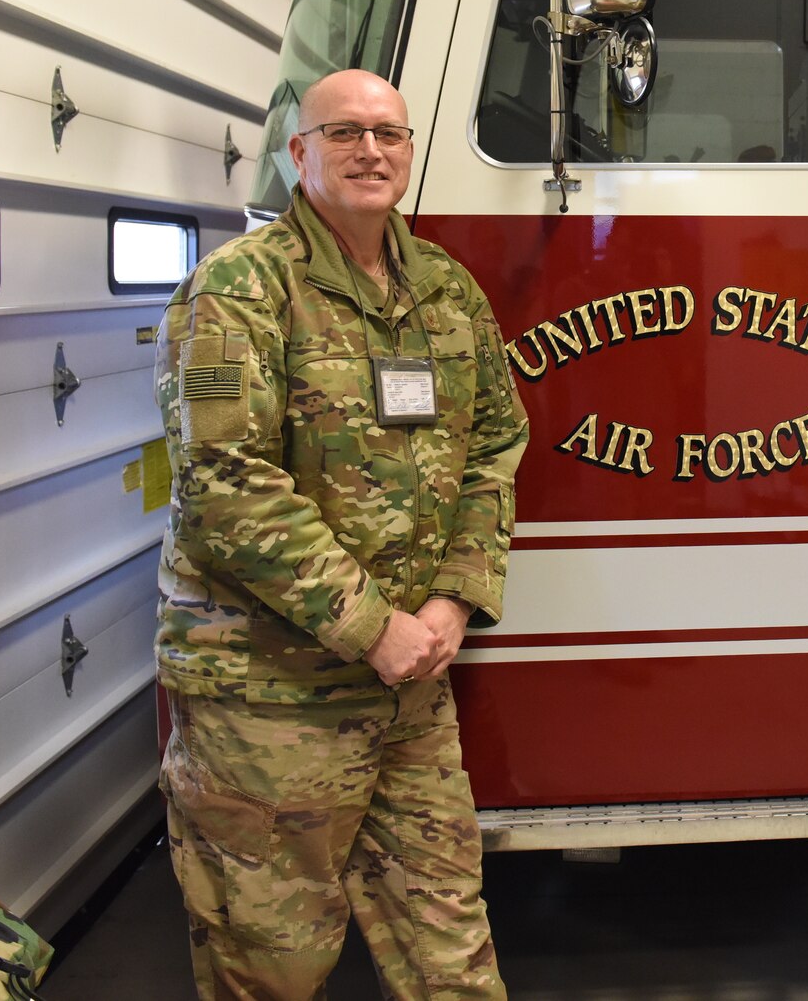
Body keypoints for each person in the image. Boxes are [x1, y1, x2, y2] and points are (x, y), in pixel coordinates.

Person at [153, 68, 529, 1000]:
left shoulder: (444, 288)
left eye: (390, 133)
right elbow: (225, 482)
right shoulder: (240, 289)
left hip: (410, 693)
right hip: (269, 704)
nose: (371, 150)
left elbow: (497, 440)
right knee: (271, 965)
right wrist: (375, 627)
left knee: (452, 950)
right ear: (298, 153)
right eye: (345, 132)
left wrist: (451, 598)